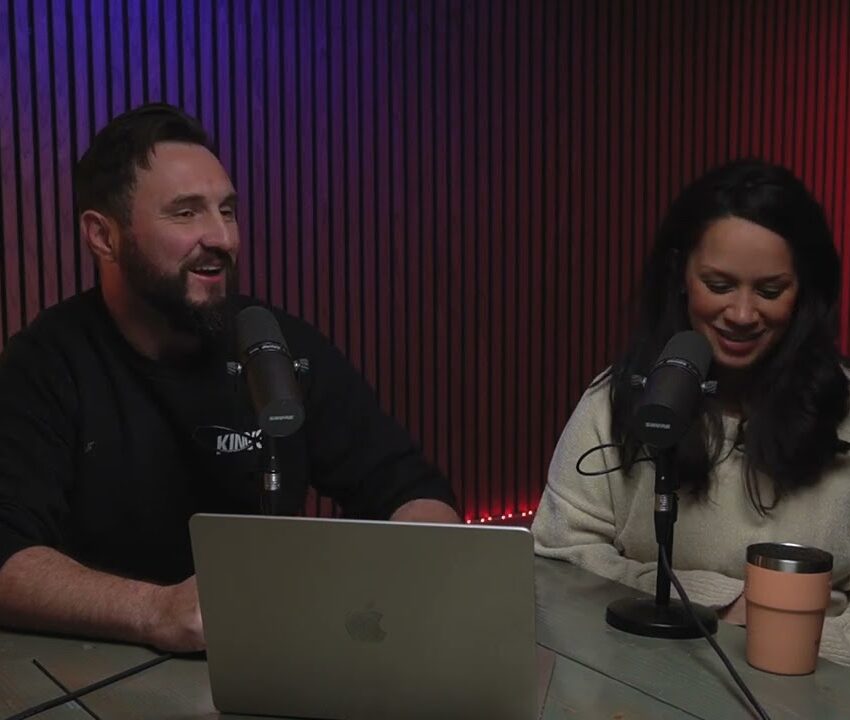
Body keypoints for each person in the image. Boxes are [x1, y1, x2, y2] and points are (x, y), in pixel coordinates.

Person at [0, 103, 459, 653]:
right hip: (101, 671)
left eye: (228, 210)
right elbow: (8, 557)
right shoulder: (46, 363)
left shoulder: (278, 344)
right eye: (186, 213)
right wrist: (154, 612)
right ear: (104, 236)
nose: (222, 237)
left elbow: (412, 491)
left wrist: (421, 570)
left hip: (275, 659)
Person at [532, 158, 850, 665]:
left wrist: (775, 628)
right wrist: (719, 604)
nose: (743, 314)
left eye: (770, 291)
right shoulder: (615, 399)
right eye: (719, 285)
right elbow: (554, 562)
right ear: (681, 275)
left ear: (804, 291)